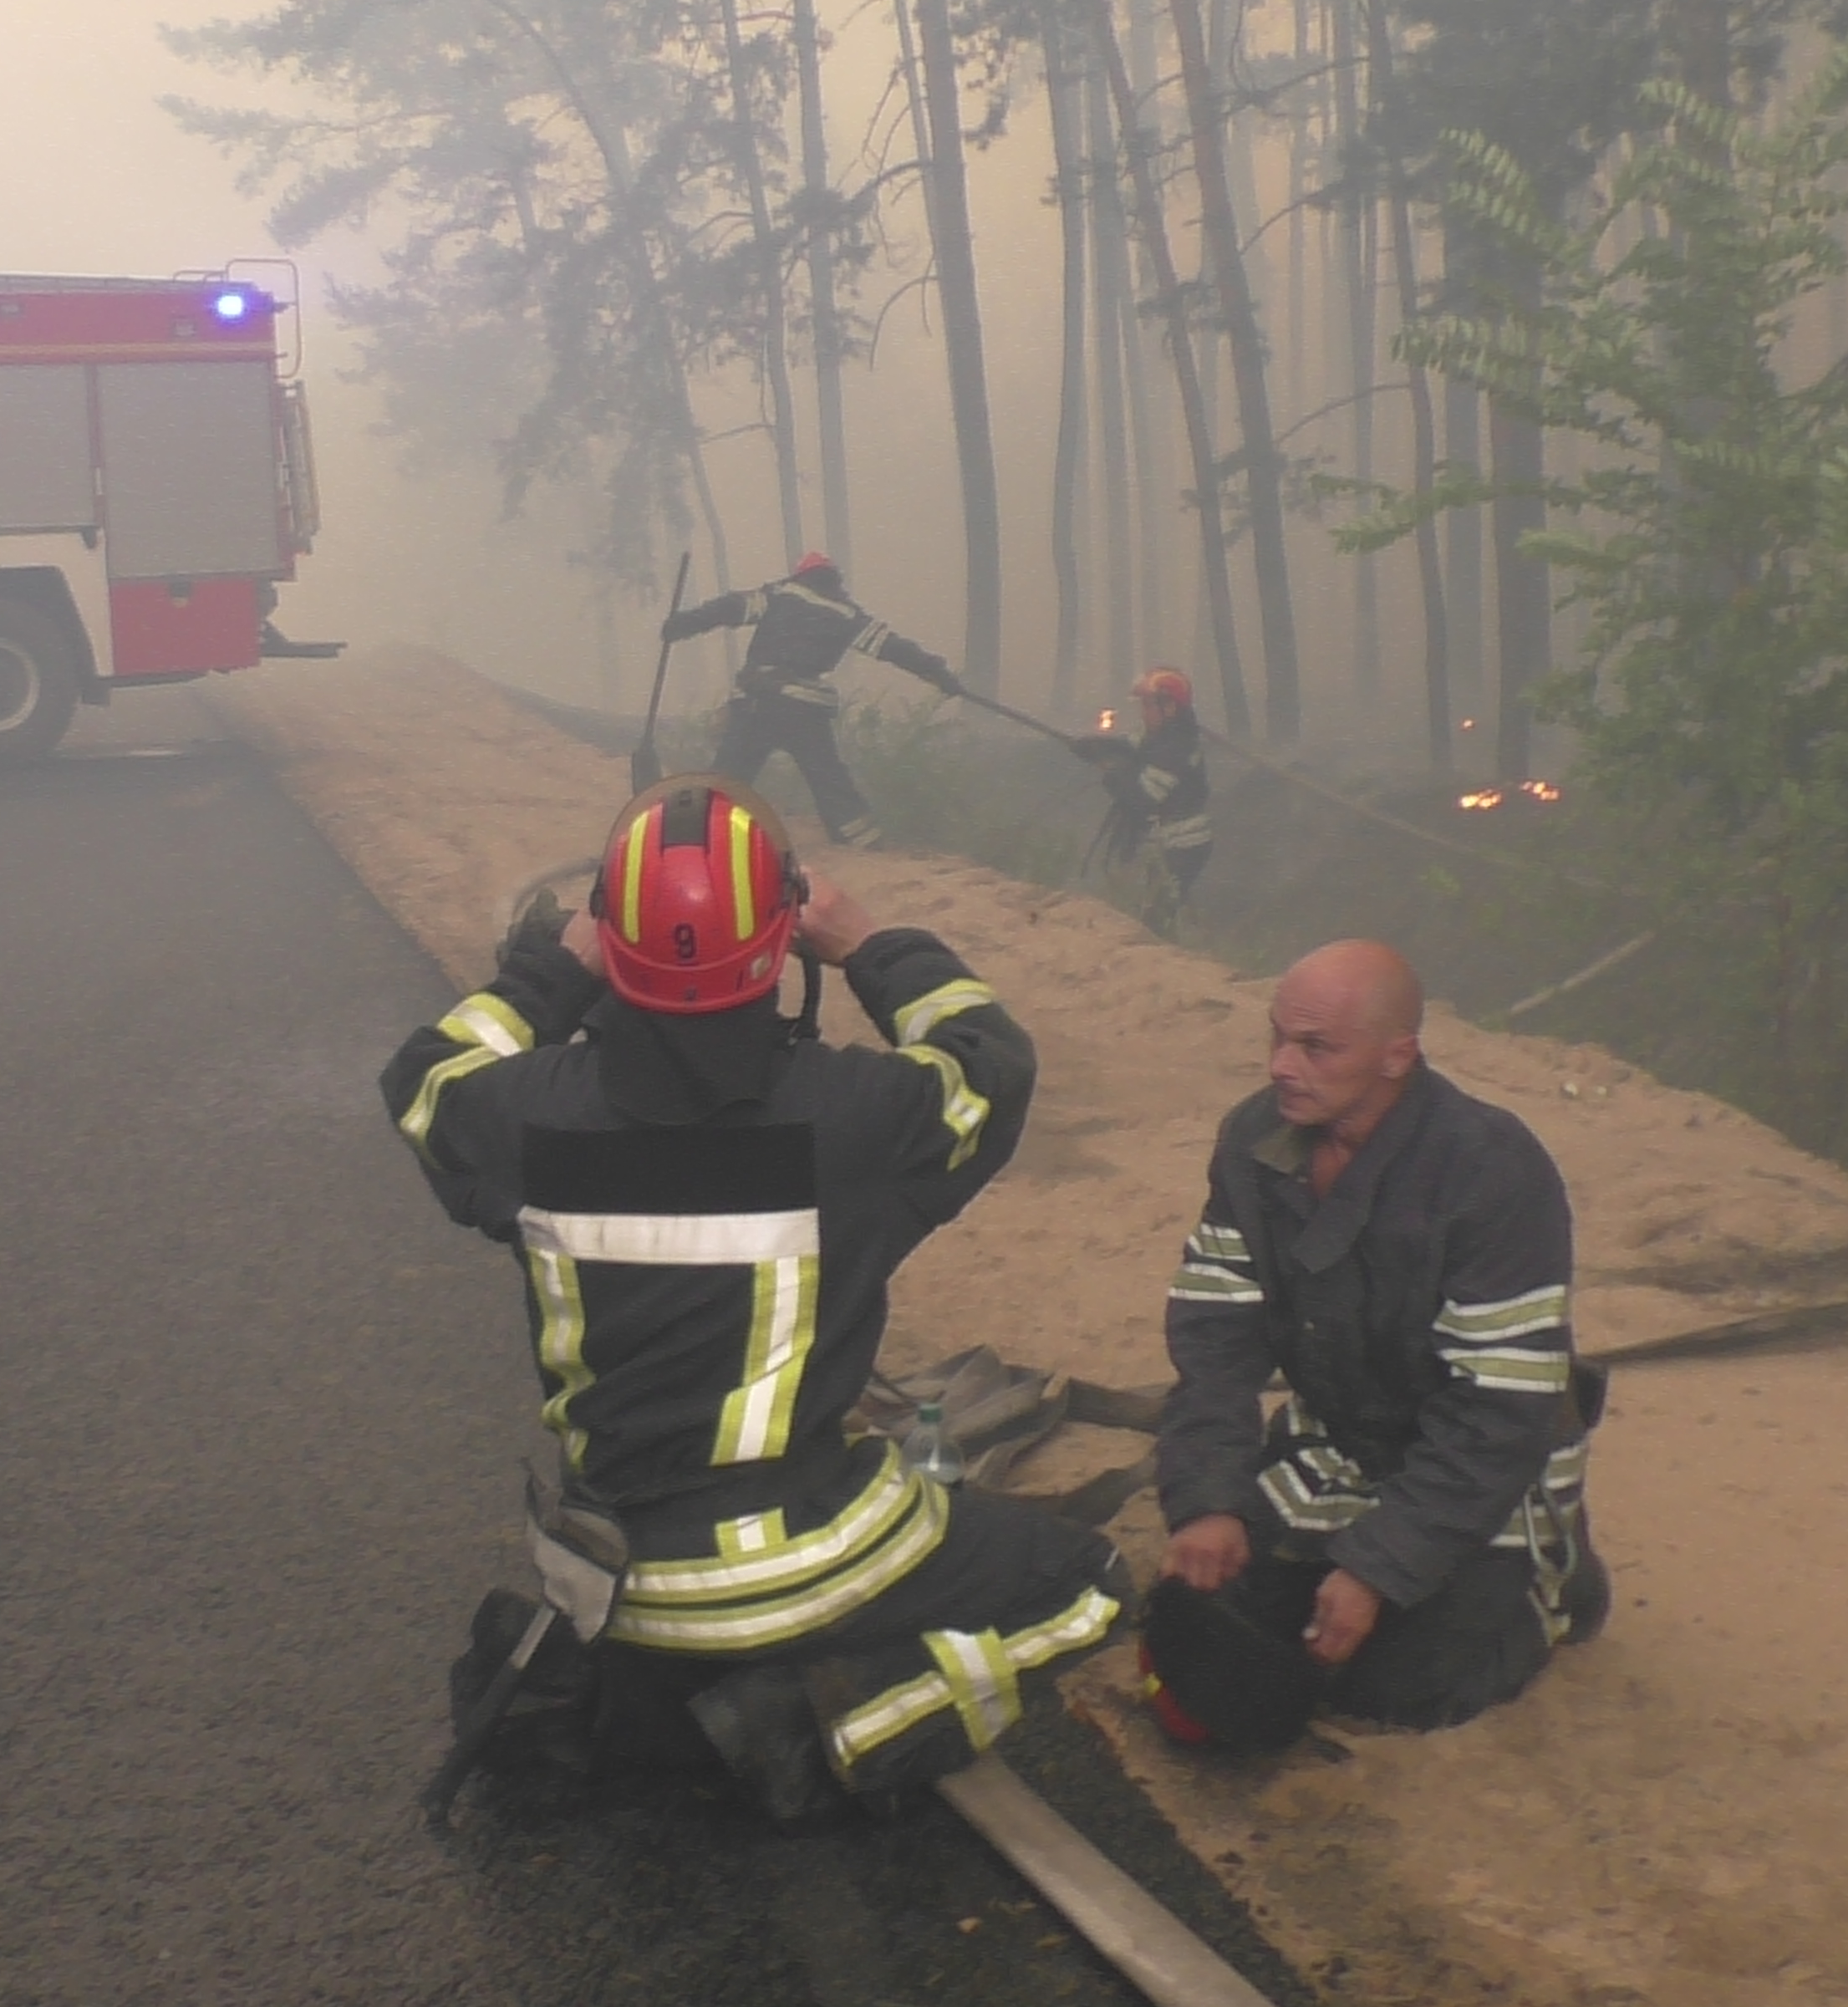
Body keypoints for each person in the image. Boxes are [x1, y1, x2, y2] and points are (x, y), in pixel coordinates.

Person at [383, 777, 1126, 1818]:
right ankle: (824, 1722)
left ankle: (664, 1713)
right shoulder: (856, 1119)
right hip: (799, 1557)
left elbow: (425, 1077)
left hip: (617, 1579)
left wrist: (552, 972)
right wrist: (868, 944)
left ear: (608, 938)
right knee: (1089, 1584)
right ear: (780, 943)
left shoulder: (521, 1119)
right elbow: (988, 1062)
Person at [1138, 939, 1607, 1755]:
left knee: (1393, 1689)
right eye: (1277, 1036)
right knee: (1224, 1621)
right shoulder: (1253, 1139)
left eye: (1315, 1047)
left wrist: (1376, 1568)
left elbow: (1499, 1413)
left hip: (1481, 1466)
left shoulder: (1491, 1172)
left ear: (1397, 1056)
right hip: (1337, 1443)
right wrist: (1208, 1497)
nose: (1281, 1066)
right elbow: (1213, 1336)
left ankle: (1556, 1587)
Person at [663, 553, 960, 849]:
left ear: (801, 575)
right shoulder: (846, 614)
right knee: (829, 779)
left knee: (729, 777)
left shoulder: (780, 594)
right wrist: (938, 674)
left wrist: (682, 625)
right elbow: (895, 649)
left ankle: (696, 836)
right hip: (804, 711)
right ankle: (862, 841)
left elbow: (729, 608)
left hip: (758, 703)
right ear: (834, 581)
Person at [1072, 668, 1217, 920]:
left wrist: (1113, 772)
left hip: (1183, 846)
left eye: (1149, 706)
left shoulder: (1176, 748)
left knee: (1158, 913)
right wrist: (1094, 746)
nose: (1143, 713)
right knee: (1158, 905)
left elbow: (1142, 800)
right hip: (1165, 842)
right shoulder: (1157, 736)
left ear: (1169, 708)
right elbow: (1128, 746)